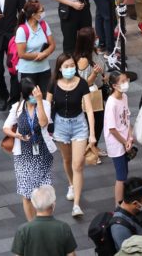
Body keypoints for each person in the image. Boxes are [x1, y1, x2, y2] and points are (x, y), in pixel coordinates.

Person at [45, 53, 97, 217]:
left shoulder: (81, 83)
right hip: (61, 126)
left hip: (79, 125)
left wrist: (93, 134)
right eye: (66, 66)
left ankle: (76, 205)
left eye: (72, 66)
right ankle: (71, 184)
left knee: (78, 164)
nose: (70, 69)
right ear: (60, 68)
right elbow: (47, 107)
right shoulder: (53, 83)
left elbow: (89, 109)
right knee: (67, 160)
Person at [3, 78, 55, 221]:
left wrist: (39, 102)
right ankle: (32, 223)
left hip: (42, 153)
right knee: (27, 193)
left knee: (45, 191)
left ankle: (46, 220)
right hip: (24, 156)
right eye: (31, 95)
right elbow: (6, 128)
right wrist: (16, 135)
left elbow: (44, 123)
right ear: (25, 96)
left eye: (36, 93)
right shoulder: (18, 107)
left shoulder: (44, 104)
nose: (35, 96)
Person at [12, 184, 79, 256]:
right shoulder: (63, 227)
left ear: (34, 205)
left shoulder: (23, 230)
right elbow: (71, 254)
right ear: (53, 205)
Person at [74, 27, 106, 153]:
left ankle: (94, 146)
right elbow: (83, 83)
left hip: (99, 90)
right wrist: (94, 74)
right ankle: (90, 149)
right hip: (90, 94)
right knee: (93, 122)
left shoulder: (94, 52)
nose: (97, 38)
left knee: (99, 121)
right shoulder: (83, 60)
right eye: (94, 37)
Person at [14, 0, 56, 93]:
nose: (43, 13)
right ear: (33, 15)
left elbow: (52, 45)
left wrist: (44, 54)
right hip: (28, 71)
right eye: (41, 11)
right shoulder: (22, 30)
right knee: (31, 99)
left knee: (47, 97)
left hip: (44, 69)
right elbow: (21, 54)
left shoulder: (44, 25)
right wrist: (38, 55)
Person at [103, 71, 132, 204]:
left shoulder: (124, 97)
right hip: (116, 143)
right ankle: (118, 205)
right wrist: (125, 142)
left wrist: (130, 137)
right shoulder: (111, 103)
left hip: (125, 141)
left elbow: (127, 118)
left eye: (127, 80)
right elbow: (112, 129)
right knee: (121, 176)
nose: (126, 83)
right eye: (123, 81)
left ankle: (122, 202)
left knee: (124, 173)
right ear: (115, 85)